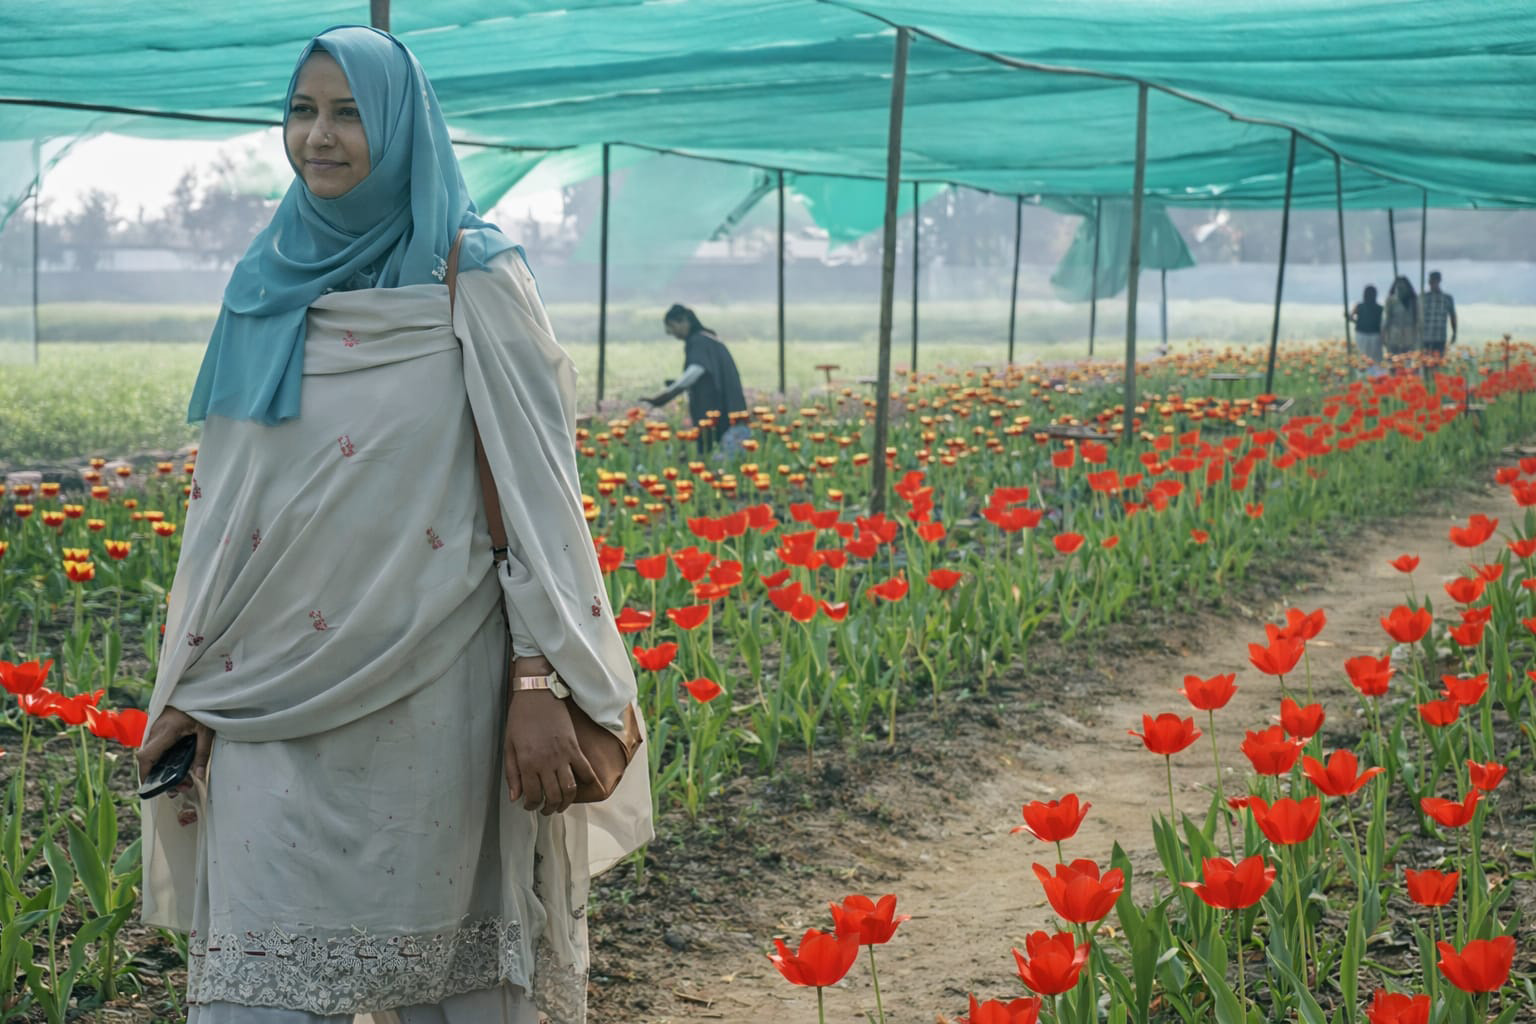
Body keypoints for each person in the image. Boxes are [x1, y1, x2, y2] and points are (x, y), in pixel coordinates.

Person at [133, 27, 651, 1024]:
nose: (318, 137)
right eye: (302, 111)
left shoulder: (473, 275)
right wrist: (194, 684)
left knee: (445, 977)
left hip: (433, 691)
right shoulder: (263, 284)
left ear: (405, 126)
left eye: (349, 113)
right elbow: (231, 514)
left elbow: (536, 496)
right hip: (268, 696)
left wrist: (537, 677)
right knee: (258, 986)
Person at [641, 303, 749, 454]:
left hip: (718, 414)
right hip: (728, 412)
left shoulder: (699, 341)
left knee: (715, 456)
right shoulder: (709, 339)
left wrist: (666, 395)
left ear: (685, 321)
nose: (671, 332)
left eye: (672, 326)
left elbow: (695, 371)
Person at [1420, 270, 1458, 358]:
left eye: (1435, 280)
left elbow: (1453, 316)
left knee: (1438, 361)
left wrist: (1454, 333)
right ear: (1429, 282)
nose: (1433, 283)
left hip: (1440, 338)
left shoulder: (1447, 298)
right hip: (1425, 338)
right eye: (1432, 281)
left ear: (1439, 281)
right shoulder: (1423, 298)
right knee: (1425, 361)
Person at [1381, 276, 1419, 358]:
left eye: (1403, 287)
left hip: (1409, 336)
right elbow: (1386, 319)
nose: (1401, 289)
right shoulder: (1391, 300)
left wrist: (1416, 336)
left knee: (1408, 360)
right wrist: (1383, 335)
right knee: (1393, 360)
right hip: (1394, 335)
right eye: (1399, 287)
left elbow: (1416, 319)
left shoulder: (1413, 301)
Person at [1351, 284, 1384, 364]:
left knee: (1362, 357)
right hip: (1375, 335)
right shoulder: (1380, 308)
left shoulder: (1359, 306)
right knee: (1376, 358)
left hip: (1362, 334)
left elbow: (1351, 317)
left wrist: (1358, 322)